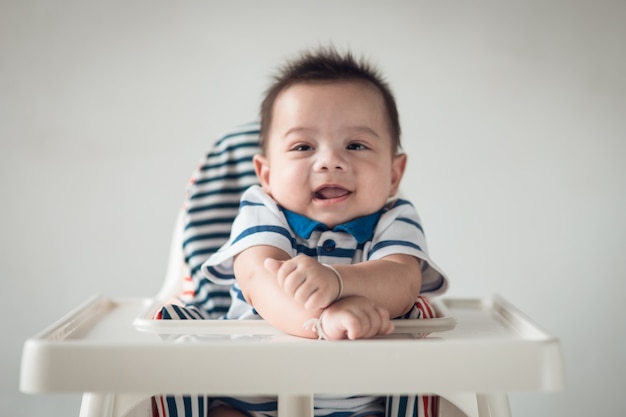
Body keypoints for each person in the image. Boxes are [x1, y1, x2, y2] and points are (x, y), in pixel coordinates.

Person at [201, 47, 448, 417]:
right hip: (253, 402)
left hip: (365, 404)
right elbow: (259, 278)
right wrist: (321, 322)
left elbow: (402, 279)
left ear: (394, 175)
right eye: (303, 146)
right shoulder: (262, 210)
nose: (330, 160)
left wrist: (338, 281)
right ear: (266, 175)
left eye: (356, 145)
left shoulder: (394, 217)